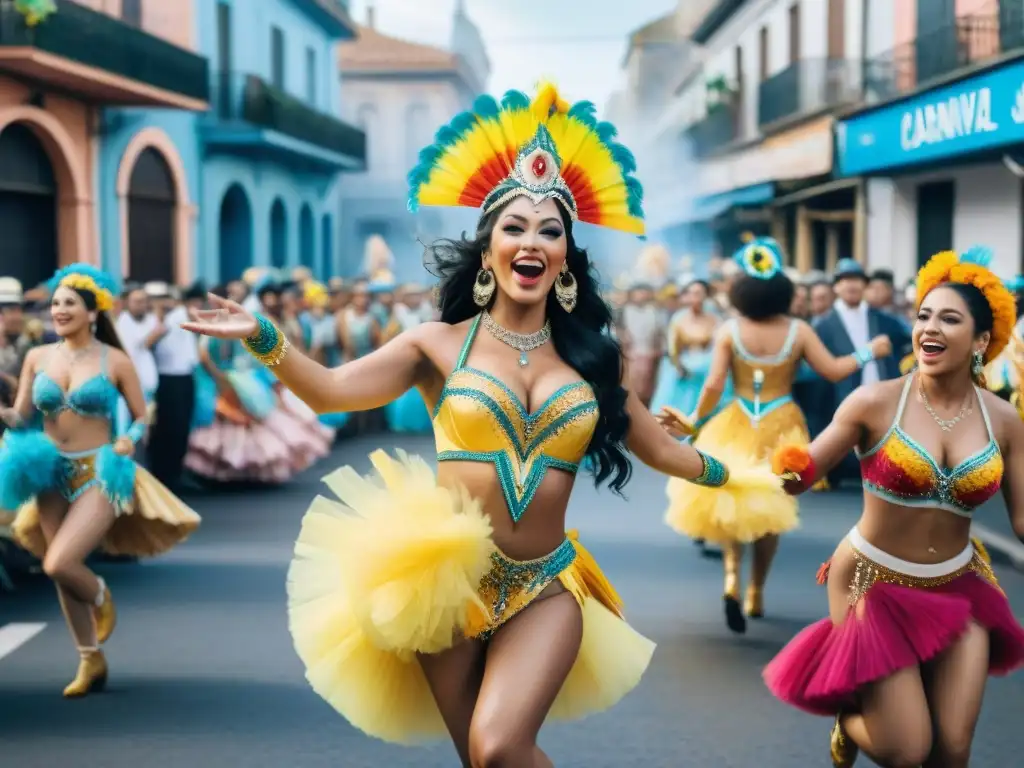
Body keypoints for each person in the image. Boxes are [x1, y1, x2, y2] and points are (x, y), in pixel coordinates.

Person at [182, 82, 787, 765]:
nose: (532, 241)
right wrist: (264, 336)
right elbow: (328, 393)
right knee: (480, 759)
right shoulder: (435, 345)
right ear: (490, 246)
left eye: (550, 230)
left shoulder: (593, 359)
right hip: (444, 583)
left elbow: (667, 453)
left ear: (564, 258)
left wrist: (752, 474)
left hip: (548, 583)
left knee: (500, 746)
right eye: (515, 227)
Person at [764, 247, 1024, 767]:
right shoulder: (875, 402)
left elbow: (1021, 521)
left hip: (958, 585)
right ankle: (853, 721)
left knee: (951, 750)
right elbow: (809, 464)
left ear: (979, 341)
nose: (929, 327)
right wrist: (794, 470)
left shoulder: (1005, 420)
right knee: (907, 751)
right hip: (871, 582)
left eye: (949, 319)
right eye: (923, 315)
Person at [661, 238, 892, 635]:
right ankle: (755, 592)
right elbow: (835, 370)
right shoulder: (798, 331)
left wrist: (695, 420)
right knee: (772, 513)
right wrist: (871, 352)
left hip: (734, 423)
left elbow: (715, 384)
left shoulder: (729, 331)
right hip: (782, 423)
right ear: (783, 288)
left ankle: (731, 580)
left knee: (732, 505)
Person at [0, 264, 200, 698]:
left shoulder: (116, 360)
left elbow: (142, 416)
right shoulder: (38, 357)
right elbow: (21, 416)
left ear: (93, 312)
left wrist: (128, 440)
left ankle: (100, 594)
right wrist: (5, 416)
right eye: (55, 304)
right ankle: (90, 658)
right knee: (59, 570)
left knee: (60, 563)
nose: (58, 310)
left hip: (101, 471)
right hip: (49, 471)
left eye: (69, 303)